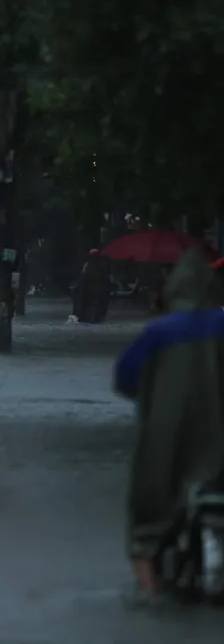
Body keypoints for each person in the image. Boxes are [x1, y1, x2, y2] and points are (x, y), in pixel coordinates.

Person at [113, 248, 224, 598]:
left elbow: (126, 379)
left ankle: (149, 590)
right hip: (217, 440)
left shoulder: (158, 332)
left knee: (147, 515)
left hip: (167, 437)